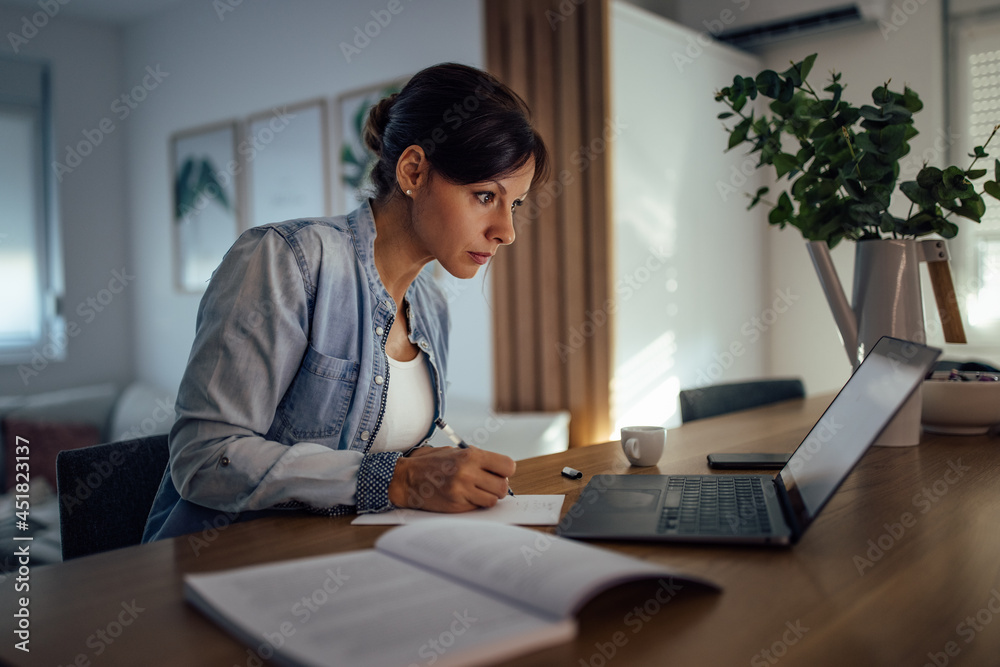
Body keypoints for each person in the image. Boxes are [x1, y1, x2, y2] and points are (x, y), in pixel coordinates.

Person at [143, 63, 548, 541]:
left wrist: (431, 468)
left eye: (515, 204)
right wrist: (396, 478)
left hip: (357, 562)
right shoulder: (286, 261)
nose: (507, 231)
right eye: (485, 196)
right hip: (227, 566)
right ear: (413, 171)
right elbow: (204, 457)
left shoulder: (432, 306)